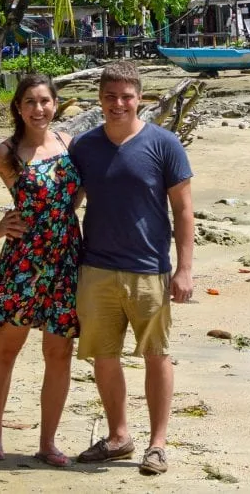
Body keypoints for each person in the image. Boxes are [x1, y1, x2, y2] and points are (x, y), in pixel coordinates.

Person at [0, 73, 81, 468]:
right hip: (22, 263)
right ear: (18, 108)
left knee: (60, 352)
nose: (39, 109)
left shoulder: (72, 146)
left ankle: (48, 442)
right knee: (7, 349)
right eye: (30, 102)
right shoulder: (4, 154)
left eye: (45, 101)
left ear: (56, 105)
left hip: (66, 259)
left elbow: (80, 191)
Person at [69, 60, 194, 476]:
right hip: (96, 267)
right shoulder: (84, 147)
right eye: (110, 97)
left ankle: (158, 445)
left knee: (156, 355)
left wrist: (184, 270)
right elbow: (68, 202)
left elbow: (184, 211)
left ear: (140, 99)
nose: (118, 104)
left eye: (126, 97)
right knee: (103, 357)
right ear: (100, 100)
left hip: (149, 269)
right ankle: (119, 436)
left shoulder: (164, 144)